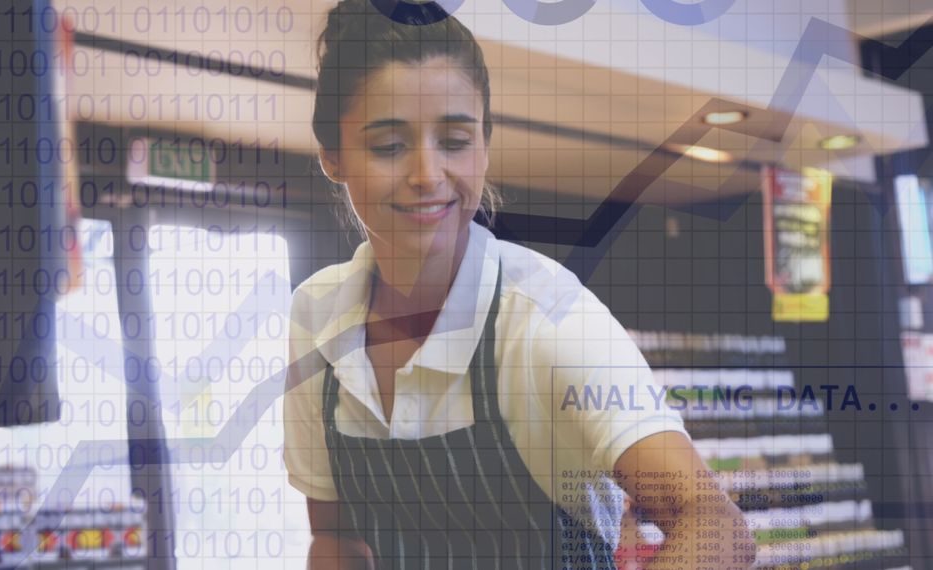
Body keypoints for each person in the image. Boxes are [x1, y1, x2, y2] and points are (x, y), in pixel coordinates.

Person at [282, 1, 755, 569]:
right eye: (389, 145)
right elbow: (336, 539)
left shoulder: (547, 316)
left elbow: (716, 527)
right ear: (331, 156)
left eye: (455, 141)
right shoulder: (316, 314)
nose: (428, 175)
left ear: (484, 142)